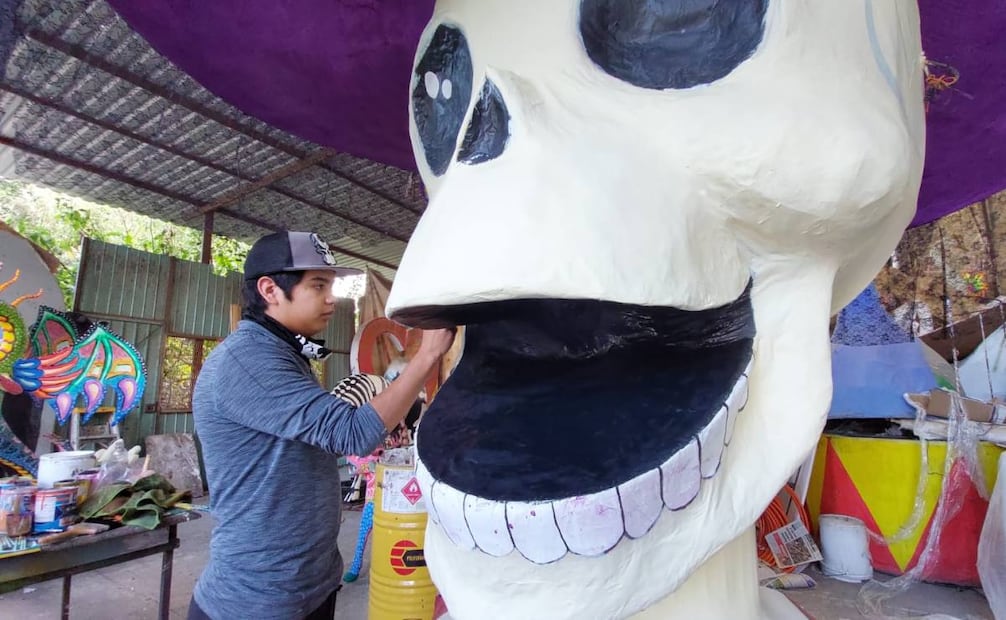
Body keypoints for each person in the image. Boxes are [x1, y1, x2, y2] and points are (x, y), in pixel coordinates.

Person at [187, 231, 454, 620]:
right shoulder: (247, 361)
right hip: (257, 599)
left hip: (308, 585)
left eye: (332, 285)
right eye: (318, 285)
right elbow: (352, 434)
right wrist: (428, 354)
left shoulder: (283, 353)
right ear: (270, 289)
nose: (332, 298)